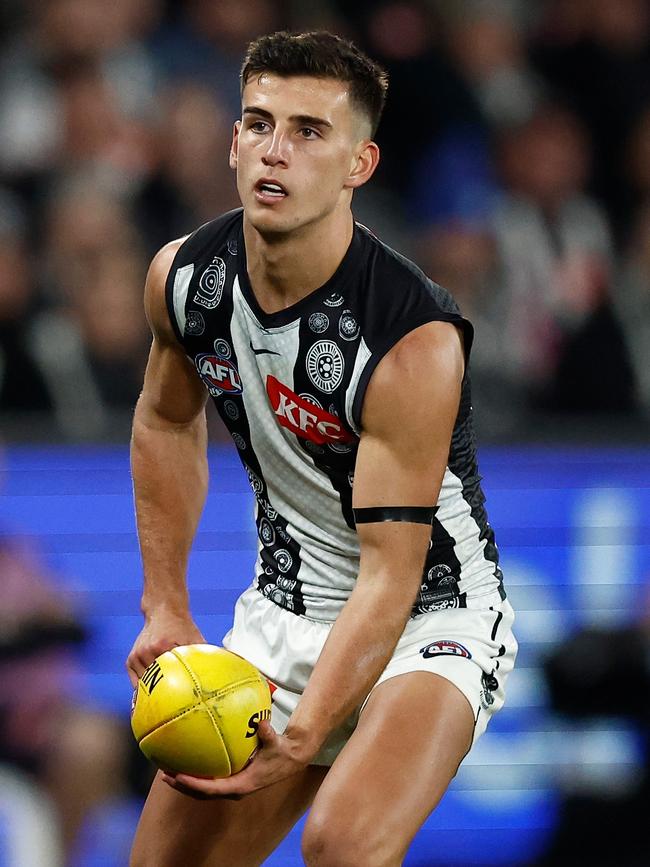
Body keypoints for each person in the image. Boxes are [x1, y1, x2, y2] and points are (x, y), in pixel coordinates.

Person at [126, 30, 517, 866]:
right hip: (287, 610)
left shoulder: (411, 339)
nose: (276, 150)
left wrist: (305, 732)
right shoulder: (184, 280)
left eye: (309, 131)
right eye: (259, 123)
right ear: (232, 143)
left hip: (428, 614)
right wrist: (164, 601)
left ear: (358, 165)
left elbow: (391, 572)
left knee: (340, 845)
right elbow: (164, 420)